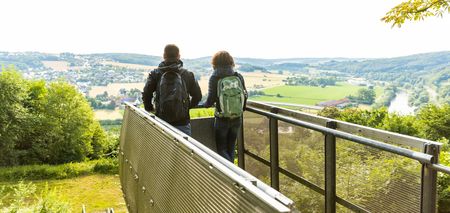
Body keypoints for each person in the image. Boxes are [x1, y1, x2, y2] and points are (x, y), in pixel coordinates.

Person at [142, 44, 202, 135]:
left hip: (161, 121)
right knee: (184, 149)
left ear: (164, 56)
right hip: (182, 122)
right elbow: (197, 96)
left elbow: (146, 93)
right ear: (179, 56)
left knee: (162, 148)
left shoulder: (155, 73)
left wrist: (149, 108)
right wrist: (187, 108)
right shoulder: (187, 74)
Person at [202, 51, 247, 162]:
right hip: (237, 117)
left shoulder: (214, 77)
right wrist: (241, 109)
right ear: (231, 61)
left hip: (222, 118)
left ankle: (231, 175)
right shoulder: (238, 76)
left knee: (221, 149)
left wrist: (203, 105)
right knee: (231, 148)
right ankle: (233, 174)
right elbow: (245, 95)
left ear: (215, 62)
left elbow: (210, 101)